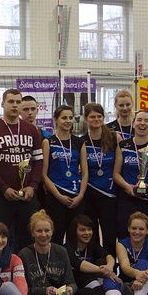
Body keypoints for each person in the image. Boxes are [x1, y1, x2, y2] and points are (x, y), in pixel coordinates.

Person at [0, 89, 45, 249]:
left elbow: (38, 161)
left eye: (18, 102)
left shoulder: (32, 130)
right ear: (3, 104)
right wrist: (3, 188)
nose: (15, 105)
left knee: (29, 238)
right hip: (1, 195)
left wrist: (33, 186)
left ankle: (25, 265)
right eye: (11, 101)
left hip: (27, 195)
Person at [18, 211, 89, 295]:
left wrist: (69, 290)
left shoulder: (61, 251)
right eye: (39, 231)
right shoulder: (24, 254)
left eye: (47, 230)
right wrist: (44, 291)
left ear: (52, 232)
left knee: (87, 293)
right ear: (32, 233)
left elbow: (72, 283)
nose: (43, 235)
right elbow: (24, 290)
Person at [114, 110, 148, 242]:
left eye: (146, 120)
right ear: (133, 123)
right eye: (139, 120)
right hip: (128, 199)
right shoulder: (123, 145)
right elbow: (116, 174)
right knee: (125, 237)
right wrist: (128, 187)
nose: (142, 123)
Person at [68, 214, 130, 295]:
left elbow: (109, 256)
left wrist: (109, 267)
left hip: (94, 282)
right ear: (75, 231)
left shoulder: (93, 245)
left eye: (89, 229)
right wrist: (102, 270)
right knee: (85, 273)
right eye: (82, 230)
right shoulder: (67, 247)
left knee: (102, 261)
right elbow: (80, 265)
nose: (87, 233)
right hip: (78, 284)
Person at [41, 105, 86, 245]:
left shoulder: (79, 143)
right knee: (56, 236)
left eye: (70, 118)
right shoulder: (48, 142)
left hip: (75, 196)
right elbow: (44, 174)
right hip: (56, 196)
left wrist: (80, 196)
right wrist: (58, 196)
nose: (68, 121)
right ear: (56, 120)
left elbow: (85, 173)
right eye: (64, 118)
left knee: (75, 238)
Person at [78, 103, 118, 255]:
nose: (96, 119)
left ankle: (111, 264)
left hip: (109, 193)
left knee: (109, 233)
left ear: (103, 117)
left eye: (99, 116)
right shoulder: (82, 141)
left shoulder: (114, 138)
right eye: (92, 116)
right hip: (90, 193)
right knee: (91, 233)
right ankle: (95, 262)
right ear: (86, 119)